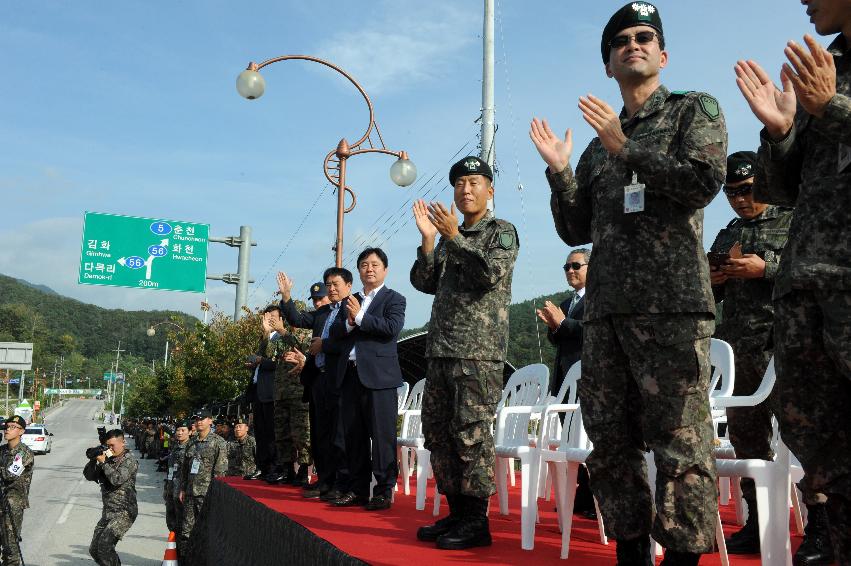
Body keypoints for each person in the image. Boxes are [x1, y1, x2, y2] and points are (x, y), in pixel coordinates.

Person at [529, 2, 728, 563]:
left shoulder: (694, 110)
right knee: (610, 443)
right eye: (620, 41)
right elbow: (575, 226)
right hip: (606, 316)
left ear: (663, 55)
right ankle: (631, 550)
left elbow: (703, 180)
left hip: (671, 311)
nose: (632, 45)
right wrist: (561, 170)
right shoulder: (597, 145)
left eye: (644, 37)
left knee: (680, 444)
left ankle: (685, 555)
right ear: (608, 65)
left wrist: (628, 147)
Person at [735, 2, 851, 561]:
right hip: (808, 290)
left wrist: (832, 108)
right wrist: (780, 131)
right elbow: (782, 188)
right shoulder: (821, 66)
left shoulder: (828, 87)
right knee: (821, 443)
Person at [411, 156, 519, 549]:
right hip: (440, 349)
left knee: (471, 434)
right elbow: (424, 281)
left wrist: (454, 237)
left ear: (490, 190)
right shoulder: (445, 237)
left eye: (474, 182)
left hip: (478, 353)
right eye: (459, 183)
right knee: (438, 434)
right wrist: (428, 240)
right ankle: (456, 511)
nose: (465, 189)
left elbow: (488, 273)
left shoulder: (501, 232)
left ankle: (476, 520)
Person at [708, 151, 793, 554]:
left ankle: (824, 526)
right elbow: (711, 294)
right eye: (731, 193)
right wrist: (714, 278)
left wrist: (768, 269)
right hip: (740, 353)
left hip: (785, 348)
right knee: (748, 441)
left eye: (746, 190)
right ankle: (758, 523)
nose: (740, 199)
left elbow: (812, 270)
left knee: (804, 440)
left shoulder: (794, 220)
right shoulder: (727, 234)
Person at [324, 248, 406, 512]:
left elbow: (391, 328)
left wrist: (360, 317)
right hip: (350, 376)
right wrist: (349, 320)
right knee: (353, 435)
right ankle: (357, 489)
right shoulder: (351, 299)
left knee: (381, 437)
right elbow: (336, 333)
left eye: (374, 264)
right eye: (363, 265)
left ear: (385, 269)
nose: (369, 269)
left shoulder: (394, 299)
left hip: (380, 378)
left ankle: (383, 490)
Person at [279, 270, 352, 501]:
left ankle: (341, 482)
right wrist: (287, 296)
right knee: (320, 432)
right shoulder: (323, 312)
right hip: (317, 378)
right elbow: (297, 320)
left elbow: (347, 342)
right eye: (328, 284)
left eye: (335, 284)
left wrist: (325, 345)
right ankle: (324, 479)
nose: (331, 289)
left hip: (338, 377)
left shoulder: (351, 309)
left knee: (337, 433)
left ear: (348, 285)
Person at [536, 247, 595, 518]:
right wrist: (554, 326)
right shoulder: (567, 302)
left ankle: (598, 498)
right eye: (567, 267)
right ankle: (582, 496)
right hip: (564, 381)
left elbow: (594, 332)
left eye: (576, 266)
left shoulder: (598, 298)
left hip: (590, 381)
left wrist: (564, 323)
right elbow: (560, 338)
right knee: (573, 443)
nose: (570, 271)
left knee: (591, 441)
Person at [267, 310, 312, 486]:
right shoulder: (278, 338)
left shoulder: (304, 333)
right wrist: (266, 332)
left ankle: (303, 469)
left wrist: (284, 332)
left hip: (299, 392)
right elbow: (267, 353)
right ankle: (287, 469)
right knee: (282, 433)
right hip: (281, 392)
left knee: (301, 433)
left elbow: (306, 349)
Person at [178, 409, 228, 566]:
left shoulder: (219, 443)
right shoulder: (191, 443)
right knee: (187, 532)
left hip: (206, 495)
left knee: (206, 532)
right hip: (190, 494)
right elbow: (185, 469)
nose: (199, 421)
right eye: (197, 419)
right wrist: (182, 489)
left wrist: (216, 495)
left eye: (203, 418)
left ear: (210, 421)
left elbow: (220, 473)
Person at [83, 429, 138, 566]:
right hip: (108, 512)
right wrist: (94, 459)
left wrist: (104, 463)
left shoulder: (129, 460)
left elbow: (116, 479)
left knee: (105, 547)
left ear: (123, 442)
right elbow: (89, 476)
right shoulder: (107, 458)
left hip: (124, 512)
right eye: (108, 446)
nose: (110, 449)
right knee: (94, 550)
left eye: (113, 445)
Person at [246, 306, 278, 481]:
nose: (268, 320)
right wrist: (254, 362)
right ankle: (262, 466)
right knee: (260, 432)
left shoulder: (281, 337)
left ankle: (274, 467)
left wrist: (261, 361)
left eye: (273, 317)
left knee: (271, 432)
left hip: (271, 392)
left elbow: (277, 363)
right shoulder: (263, 339)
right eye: (266, 317)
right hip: (258, 391)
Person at [0, 416, 34, 566]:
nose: (7, 429)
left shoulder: (24, 453)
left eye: (13, 426)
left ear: (21, 431)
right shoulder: (2, 450)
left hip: (12, 505)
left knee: (10, 548)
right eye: (7, 426)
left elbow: (9, 475)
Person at [164, 419, 190, 536]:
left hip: (181, 491)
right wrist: (166, 487)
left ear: (189, 432)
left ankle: (181, 550)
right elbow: (170, 468)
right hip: (171, 487)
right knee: (170, 520)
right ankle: (174, 547)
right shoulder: (175, 446)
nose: (179, 433)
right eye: (178, 430)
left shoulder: (191, 448)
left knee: (182, 522)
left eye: (183, 430)